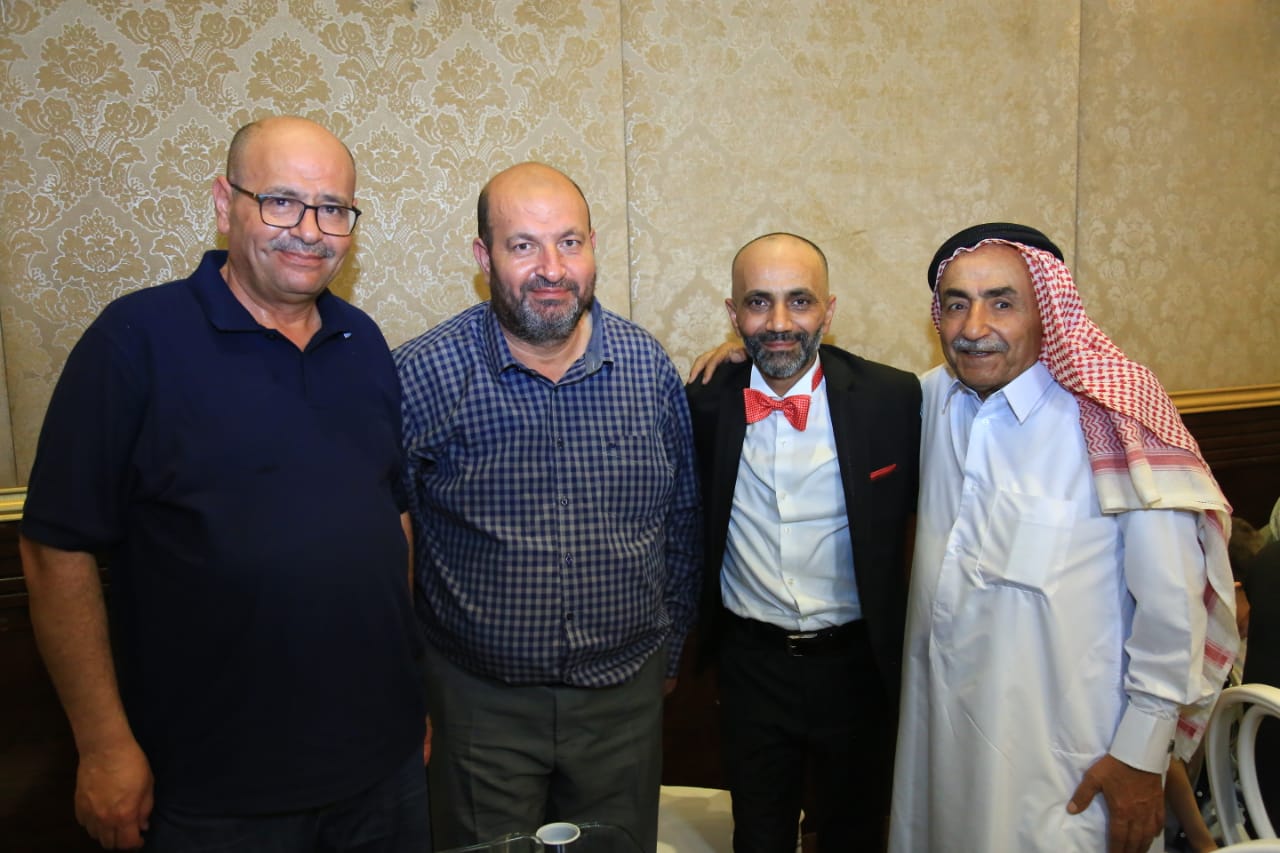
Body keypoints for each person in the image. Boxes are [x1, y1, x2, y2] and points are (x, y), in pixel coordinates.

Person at [19, 116, 428, 851]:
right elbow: (55, 548)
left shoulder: (362, 341)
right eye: (282, 201)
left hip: (381, 768)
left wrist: (411, 695)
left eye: (333, 208)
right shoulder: (134, 341)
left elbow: (392, 514)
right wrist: (104, 744)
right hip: (216, 790)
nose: (310, 230)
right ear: (223, 203)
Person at [890, 222, 1238, 853]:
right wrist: (739, 367)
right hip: (942, 748)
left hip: (1069, 765)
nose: (974, 327)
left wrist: (1142, 757)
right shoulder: (932, 400)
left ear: (1046, 311)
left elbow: (1172, 610)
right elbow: (832, 398)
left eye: (1002, 303)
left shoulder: (1114, 418)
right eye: (956, 304)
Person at [394, 162, 701, 852]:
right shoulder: (422, 375)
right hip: (479, 708)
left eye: (568, 242)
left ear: (593, 247)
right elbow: (389, 546)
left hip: (623, 702)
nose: (551, 269)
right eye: (523, 245)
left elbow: (682, 520)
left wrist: (671, 650)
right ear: (484, 258)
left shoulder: (648, 369)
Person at [684, 233, 919, 852]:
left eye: (800, 301)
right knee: (758, 837)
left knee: (854, 836)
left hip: (857, 667)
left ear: (829, 311)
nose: (780, 323)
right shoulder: (702, 402)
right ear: (734, 315)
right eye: (759, 303)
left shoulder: (894, 399)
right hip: (750, 667)